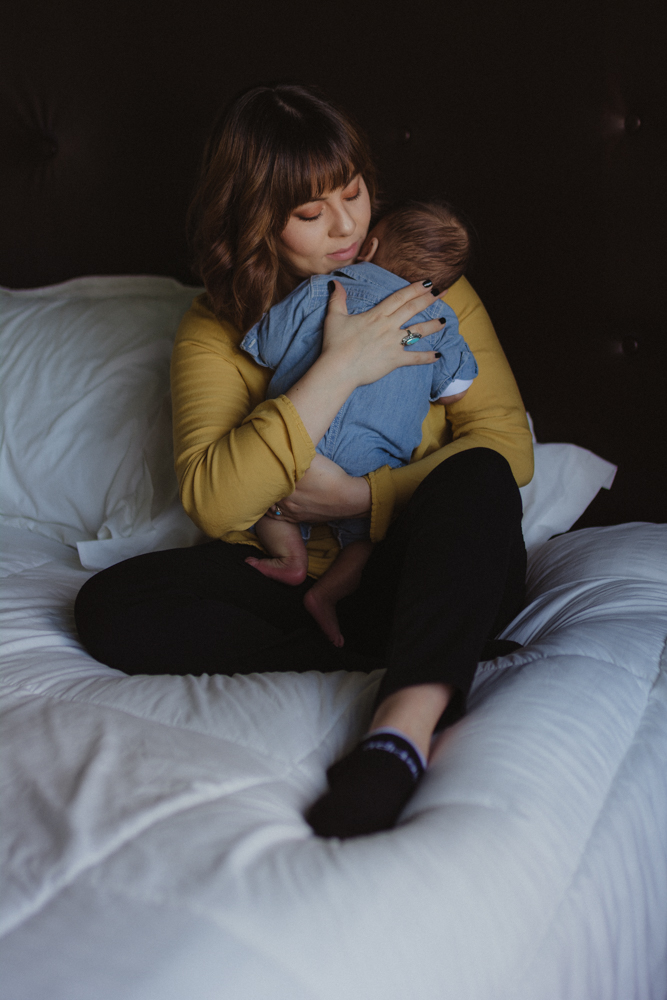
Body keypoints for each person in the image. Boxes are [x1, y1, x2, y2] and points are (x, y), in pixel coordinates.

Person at [74, 83, 534, 839]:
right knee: (112, 606)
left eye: (352, 193)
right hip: (286, 581)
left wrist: (360, 499)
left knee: (477, 479)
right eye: (310, 213)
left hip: (419, 564)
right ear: (257, 221)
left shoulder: (430, 285)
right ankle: (392, 653)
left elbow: (505, 447)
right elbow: (215, 503)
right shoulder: (215, 328)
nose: (349, 226)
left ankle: (399, 732)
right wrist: (338, 369)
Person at [241, 201, 479, 648]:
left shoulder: (326, 288)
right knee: (371, 541)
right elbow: (456, 390)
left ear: (369, 246)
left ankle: (289, 556)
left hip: (299, 436)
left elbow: (267, 347)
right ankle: (326, 594)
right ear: (442, 288)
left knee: (267, 500)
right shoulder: (439, 322)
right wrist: (410, 338)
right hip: (373, 465)